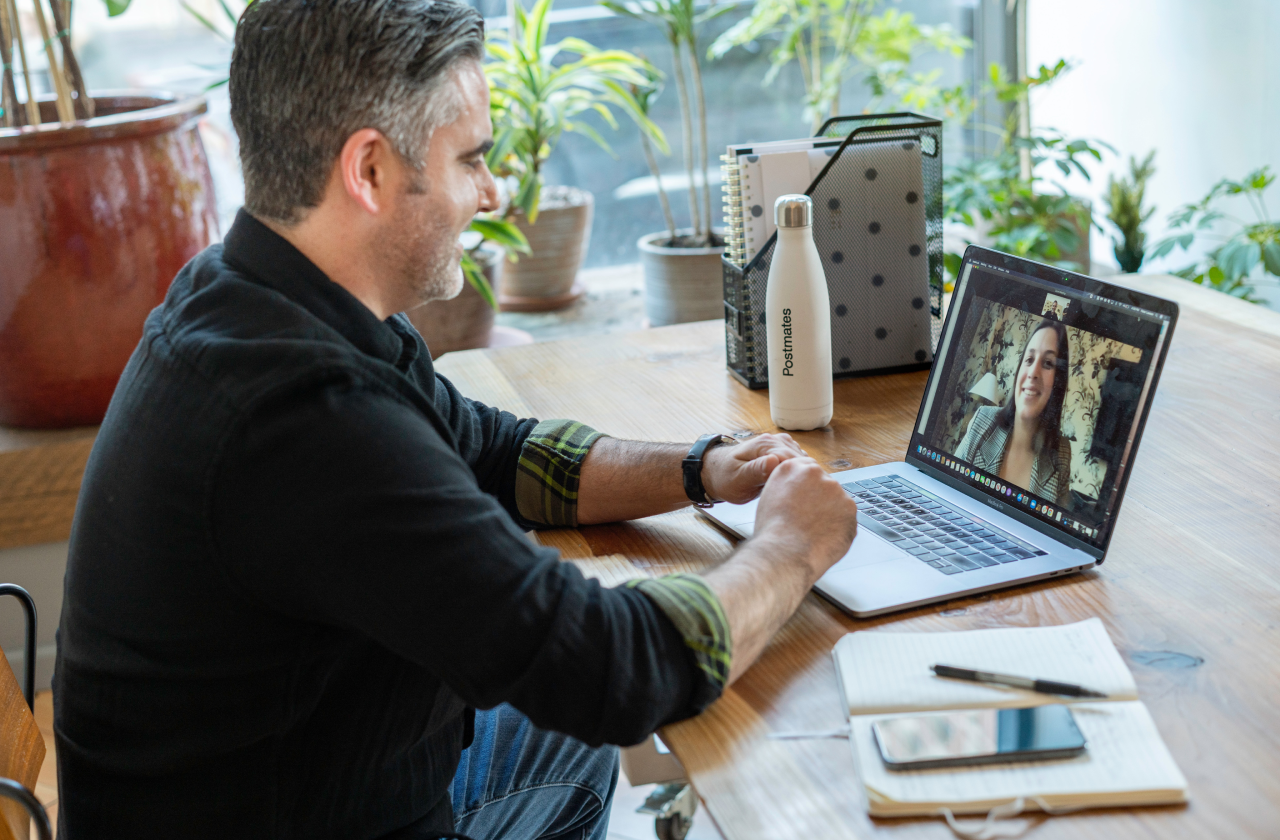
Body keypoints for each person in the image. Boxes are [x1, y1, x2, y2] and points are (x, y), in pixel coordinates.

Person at [51, 0, 859, 838]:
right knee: (617, 710)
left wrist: (700, 467)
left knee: (564, 731)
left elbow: (499, 453)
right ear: (368, 171)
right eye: (471, 159)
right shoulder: (304, 419)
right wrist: (790, 547)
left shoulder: (257, 295)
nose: (492, 190)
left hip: (298, 776)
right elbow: (616, 670)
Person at [955, 319, 1072, 506]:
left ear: (1058, 382)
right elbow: (947, 488)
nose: (1033, 372)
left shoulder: (1062, 453)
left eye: (1048, 363)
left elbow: (1053, 530)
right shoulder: (982, 420)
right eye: (1029, 359)